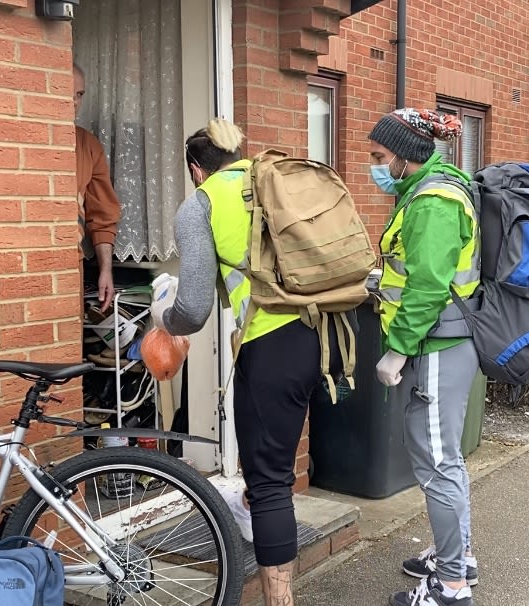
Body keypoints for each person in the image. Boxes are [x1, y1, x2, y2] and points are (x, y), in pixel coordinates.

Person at [151, 118, 343, 606]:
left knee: (271, 482)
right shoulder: (272, 177)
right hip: (326, 334)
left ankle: (281, 601)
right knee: (272, 468)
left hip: (271, 344)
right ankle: (248, 507)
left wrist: (163, 319)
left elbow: (192, 310)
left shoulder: (202, 202)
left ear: (197, 169)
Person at [369, 108, 480, 606]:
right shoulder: (426, 191)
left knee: (437, 464)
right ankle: (458, 558)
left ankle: (452, 586)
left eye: (378, 156)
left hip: (437, 343)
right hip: (440, 343)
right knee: (446, 460)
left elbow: (429, 286)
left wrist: (395, 352)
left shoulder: (434, 201)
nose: (374, 166)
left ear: (405, 155)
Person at [73, 64, 119, 309]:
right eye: (66, 93)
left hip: (72, 264)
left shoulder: (88, 145)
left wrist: (105, 271)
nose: (73, 102)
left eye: (78, 95)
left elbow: (102, 215)